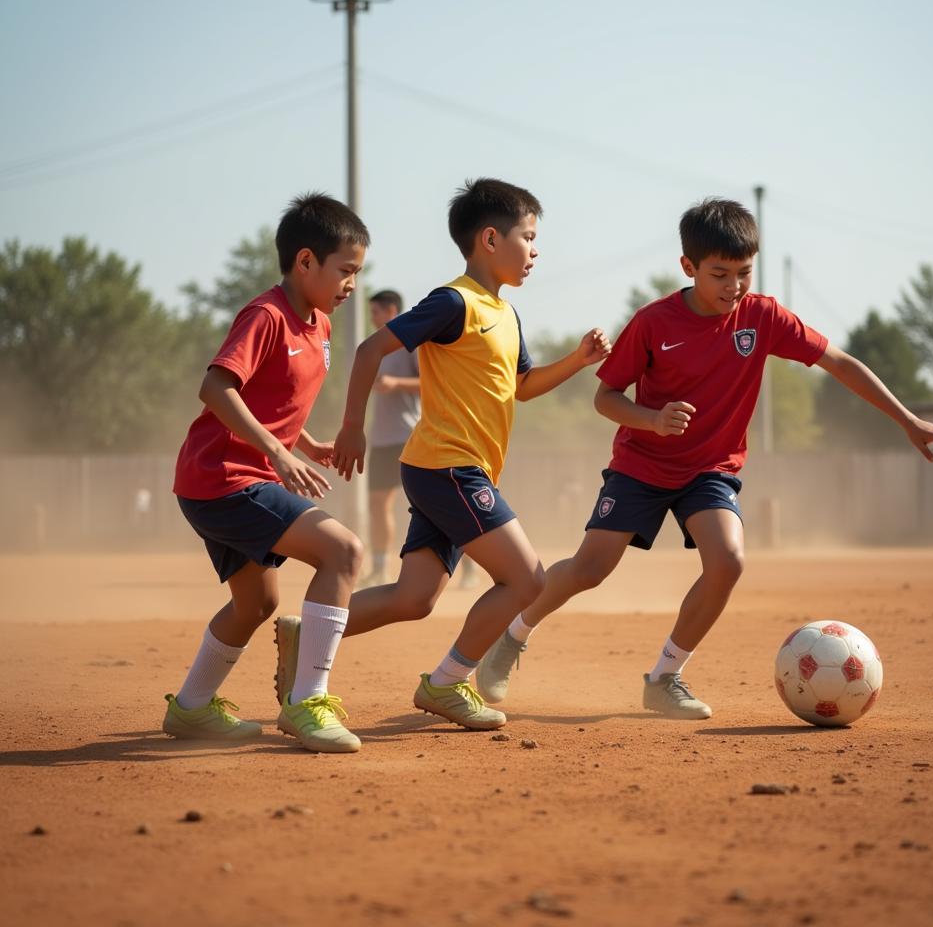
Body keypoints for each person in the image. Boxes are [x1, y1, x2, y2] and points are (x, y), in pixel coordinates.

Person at [477, 197, 933, 719]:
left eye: (744, 273)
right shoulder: (653, 322)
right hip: (641, 465)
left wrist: (907, 419)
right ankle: (512, 637)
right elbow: (606, 397)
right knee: (591, 568)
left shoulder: (764, 317)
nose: (734, 286)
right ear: (688, 267)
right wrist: (652, 418)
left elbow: (838, 363)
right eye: (719, 274)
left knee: (728, 561)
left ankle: (665, 677)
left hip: (710, 469)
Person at [275, 177, 610, 730]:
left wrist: (577, 360)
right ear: (490, 240)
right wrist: (352, 426)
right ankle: (447, 683)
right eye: (528, 237)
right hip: (447, 466)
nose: (535, 250)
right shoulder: (454, 302)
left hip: (450, 469)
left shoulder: (504, 312)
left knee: (415, 598)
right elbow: (370, 349)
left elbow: (522, 385)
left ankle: (310, 628)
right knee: (527, 579)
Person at [165, 192, 369, 753]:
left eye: (359, 271)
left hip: (224, 480)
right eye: (346, 270)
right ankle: (307, 704)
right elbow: (216, 387)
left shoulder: (320, 324)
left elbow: (271, 398)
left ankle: (191, 709)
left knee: (257, 604)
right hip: (224, 476)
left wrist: (307, 442)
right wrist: (280, 456)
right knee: (344, 551)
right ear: (306, 262)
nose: (353, 283)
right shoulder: (267, 315)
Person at [364, 289, 421, 586]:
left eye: (375, 312)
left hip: (409, 435)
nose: (371, 318)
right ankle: (379, 567)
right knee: (377, 504)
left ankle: (467, 567)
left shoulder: (410, 345)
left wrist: (396, 382)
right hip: (382, 440)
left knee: (436, 506)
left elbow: (431, 384)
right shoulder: (376, 348)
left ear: (391, 311)